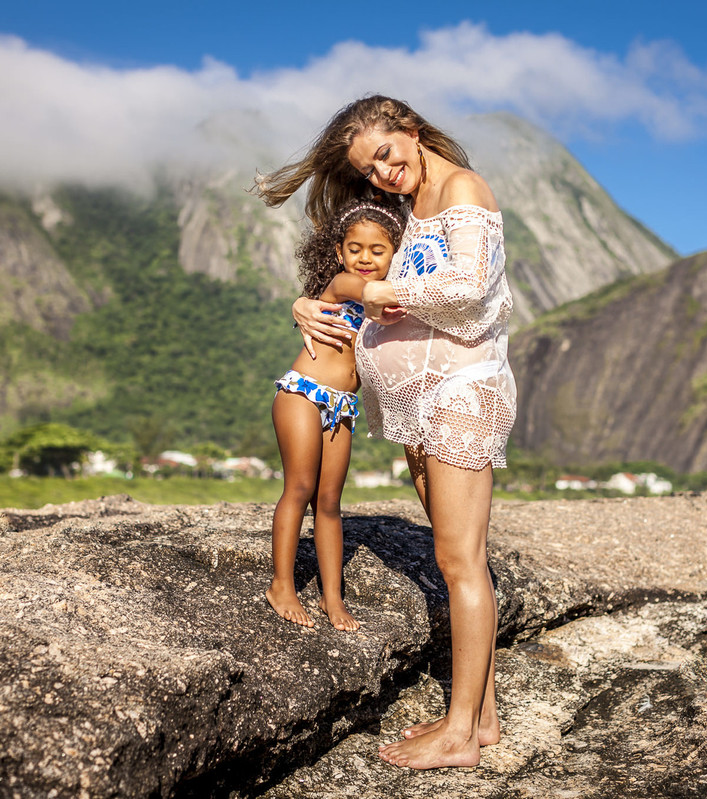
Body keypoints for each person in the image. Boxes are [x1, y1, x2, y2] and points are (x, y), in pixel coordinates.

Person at [255, 95, 515, 770]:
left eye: (389, 153)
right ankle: (479, 717)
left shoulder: (463, 188)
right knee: (459, 556)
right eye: (371, 168)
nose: (384, 172)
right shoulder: (407, 212)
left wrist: (373, 295)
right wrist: (312, 300)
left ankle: (459, 736)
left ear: (413, 131)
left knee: (460, 561)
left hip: (461, 391)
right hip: (416, 403)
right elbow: (353, 272)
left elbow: (468, 286)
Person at [267, 199, 406, 632]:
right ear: (341, 253)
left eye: (378, 250)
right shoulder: (343, 285)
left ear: (394, 254)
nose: (365, 257)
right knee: (301, 487)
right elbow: (366, 292)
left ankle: (332, 597)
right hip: (303, 394)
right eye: (356, 247)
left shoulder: (386, 310)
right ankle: (282, 586)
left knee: (329, 504)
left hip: (341, 407)